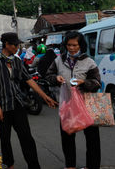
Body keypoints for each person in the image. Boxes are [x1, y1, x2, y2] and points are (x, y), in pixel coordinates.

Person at [0, 32, 57, 169]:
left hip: (18, 103)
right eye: (15, 44)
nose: (17, 47)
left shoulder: (17, 60)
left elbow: (28, 79)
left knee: (27, 138)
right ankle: (10, 164)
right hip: (3, 105)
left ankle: (34, 165)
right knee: (5, 139)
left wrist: (44, 96)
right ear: (6, 44)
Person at [45, 31, 102, 169]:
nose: (72, 48)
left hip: (87, 105)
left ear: (81, 45)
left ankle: (92, 166)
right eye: (69, 45)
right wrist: (55, 79)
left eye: (75, 45)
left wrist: (84, 82)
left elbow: (97, 82)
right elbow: (48, 75)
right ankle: (70, 166)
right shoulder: (59, 60)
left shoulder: (89, 62)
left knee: (92, 139)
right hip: (67, 105)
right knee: (67, 137)